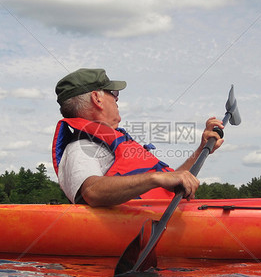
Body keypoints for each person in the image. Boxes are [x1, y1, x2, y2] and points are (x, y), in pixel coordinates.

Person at [52, 68, 224, 207]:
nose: (117, 99)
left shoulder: (112, 144)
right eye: (113, 93)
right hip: (137, 236)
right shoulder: (80, 148)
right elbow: (91, 192)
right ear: (97, 98)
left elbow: (173, 181)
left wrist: (202, 149)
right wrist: (155, 178)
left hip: (161, 223)